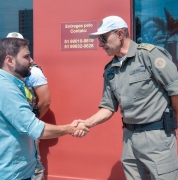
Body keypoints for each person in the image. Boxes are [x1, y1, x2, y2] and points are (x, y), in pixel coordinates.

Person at [73, 15, 178, 180]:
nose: (100, 43)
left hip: (157, 137)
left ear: (120, 34)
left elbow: (175, 90)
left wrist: (174, 124)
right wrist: (87, 123)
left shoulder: (148, 56)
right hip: (129, 139)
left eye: (103, 38)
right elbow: (108, 107)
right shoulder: (110, 70)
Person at [0, 37, 89, 180]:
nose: (32, 60)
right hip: (11, 174)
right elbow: (35, 129)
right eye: (26, 56)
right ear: (10, 60)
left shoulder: (8, 84)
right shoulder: (5, 89)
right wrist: (72, 128)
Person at [6, 32, 51, 180]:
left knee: (33, 163)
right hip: (8, 128)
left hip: (28, 124)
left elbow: (45, 101)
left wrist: (31, 121)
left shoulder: (34, 72)